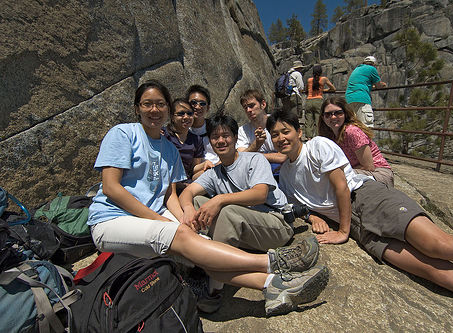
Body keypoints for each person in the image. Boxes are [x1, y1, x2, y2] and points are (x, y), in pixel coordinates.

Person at [87, 80, 328, 317]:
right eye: (147, 104)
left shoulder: (170, 149)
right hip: (112, 218)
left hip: (161, 218)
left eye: (160, 104)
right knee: (187, 236)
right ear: (137, 107)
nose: (154, 110)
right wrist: (167, 222)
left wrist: (184, 218)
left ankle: (272, 285)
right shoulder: (123, 133)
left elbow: (170, 193)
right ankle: (272, 262)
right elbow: (111, 187)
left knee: (202, 245)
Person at [266, 110, 453, 313]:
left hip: (368, 200)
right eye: (274, 135)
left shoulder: (318, 146)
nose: (280, 138)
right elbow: (299, 206)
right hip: (361, 228)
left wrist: (343, 231)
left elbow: (342, 187)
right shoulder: (285, 175)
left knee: (440, 245)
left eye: (285, 131)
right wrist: (314, 216)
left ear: (298, 131)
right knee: (432, 271)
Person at [180, 112, 294, 252]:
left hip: (277, 223)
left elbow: (260, 194)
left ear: (235, 138)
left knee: (229, 211)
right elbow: (188, 191)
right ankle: (206, 243)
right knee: (197, 201)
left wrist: (220, 199)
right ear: (210, 141)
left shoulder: (254, 159)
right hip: (245, 223)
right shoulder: (214, 173)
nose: (220, 141)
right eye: (215, 137)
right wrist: (188, 209)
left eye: (226, 136)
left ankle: (214, 262)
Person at [318, 96, 393, 187]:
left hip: (378, 173)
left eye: (338, 113)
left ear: (345, 114)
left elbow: (369, 167)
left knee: (335, 176)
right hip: (356, 172)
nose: (333, 117)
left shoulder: (352, 132)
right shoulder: (330, 135)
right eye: (328, 114)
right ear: (323, 117)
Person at [163, 98, 212, 188]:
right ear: (172, 117)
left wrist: (205, 164)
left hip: (187, 184)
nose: (186, 117)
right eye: (181, 114)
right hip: (167, 183)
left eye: (189, 113)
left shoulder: (196, 140)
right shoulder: (164, 135)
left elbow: (194, 168)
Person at [237, 89, 287, 175]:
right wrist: (257, 144)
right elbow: (240, 158)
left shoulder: (278, 123)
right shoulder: (243, 131)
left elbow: (283, 156)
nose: (248, 110)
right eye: (245, 108)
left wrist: (255, 155)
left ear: (263, 104)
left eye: (251, 106)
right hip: (257, 172)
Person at [345, 56, 387, 128]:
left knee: (354, 126)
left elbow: (362, 83)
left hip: (350, 98)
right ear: (373, 64)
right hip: (362, 98)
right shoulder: (371, 69)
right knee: (366, 127)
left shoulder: (357, 68)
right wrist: (383, 85)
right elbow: (378, 86)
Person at [186, 85, 219, 165]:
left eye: (202, 104)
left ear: (207, 108)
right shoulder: (182, 130)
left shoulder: (215, 127)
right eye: (193, 103)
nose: (197, 107)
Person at [304, 64, 336, 140]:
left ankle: (309, 137)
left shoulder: (309, 80)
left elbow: (306, 90)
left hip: (309, 100)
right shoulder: (323, 79)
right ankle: (318, 136)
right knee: (318, 119)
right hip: (318, 100)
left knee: (308, 119)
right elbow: (333, 88)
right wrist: (324, 90)